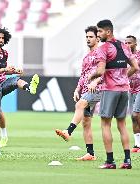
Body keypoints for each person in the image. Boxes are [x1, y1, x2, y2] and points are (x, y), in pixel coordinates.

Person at [89, 19, 139, 169]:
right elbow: (135, 66)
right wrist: (123, 78)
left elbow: (100, 71)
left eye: (100, 31)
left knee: (105, 124)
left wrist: (90, 77)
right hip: (124, 90)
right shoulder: (124, 46)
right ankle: (127, 160)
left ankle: (110, 161)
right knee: (122, 125)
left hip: (110, 90)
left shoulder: (103, 48)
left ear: (108, 32)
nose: (98, 35)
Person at [0, 27, 39, 156]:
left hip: (2, 83)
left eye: (3, 38)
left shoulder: (4, 53)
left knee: (15, 79)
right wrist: (4, 70)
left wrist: (13, 71)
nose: (1, 40)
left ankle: (30, 88)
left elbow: (4, 70)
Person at [55, 26, 101, 161]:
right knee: (86, 122)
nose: (88, 39)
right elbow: (83, 75)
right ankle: (90, 154)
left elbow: (106, 71)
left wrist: (96, 81)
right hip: (87, 90)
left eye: (91, 37)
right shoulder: (87, 57)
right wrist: (77, 89)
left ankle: (68, 131)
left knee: (80, 105)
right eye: (87, 37)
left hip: (98, 89)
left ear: (98, 38)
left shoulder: (101, 54)